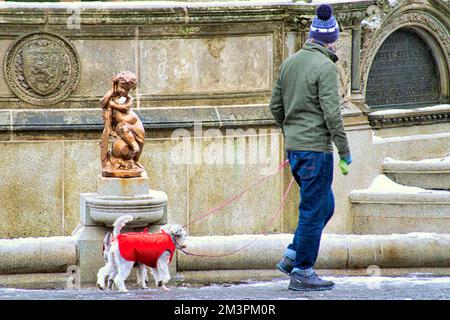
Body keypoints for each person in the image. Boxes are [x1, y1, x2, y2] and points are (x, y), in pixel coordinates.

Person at [269, 4, 352, 291]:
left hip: (296, 150)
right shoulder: (326, 67)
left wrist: (291, 133)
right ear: (332, 39)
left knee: (324, 205)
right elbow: (332, 114)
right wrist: (344, 150)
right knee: (314, 210)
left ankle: (293, 254)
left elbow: (275, 107)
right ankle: (303, 270)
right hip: (316, 150)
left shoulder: (290, 63)